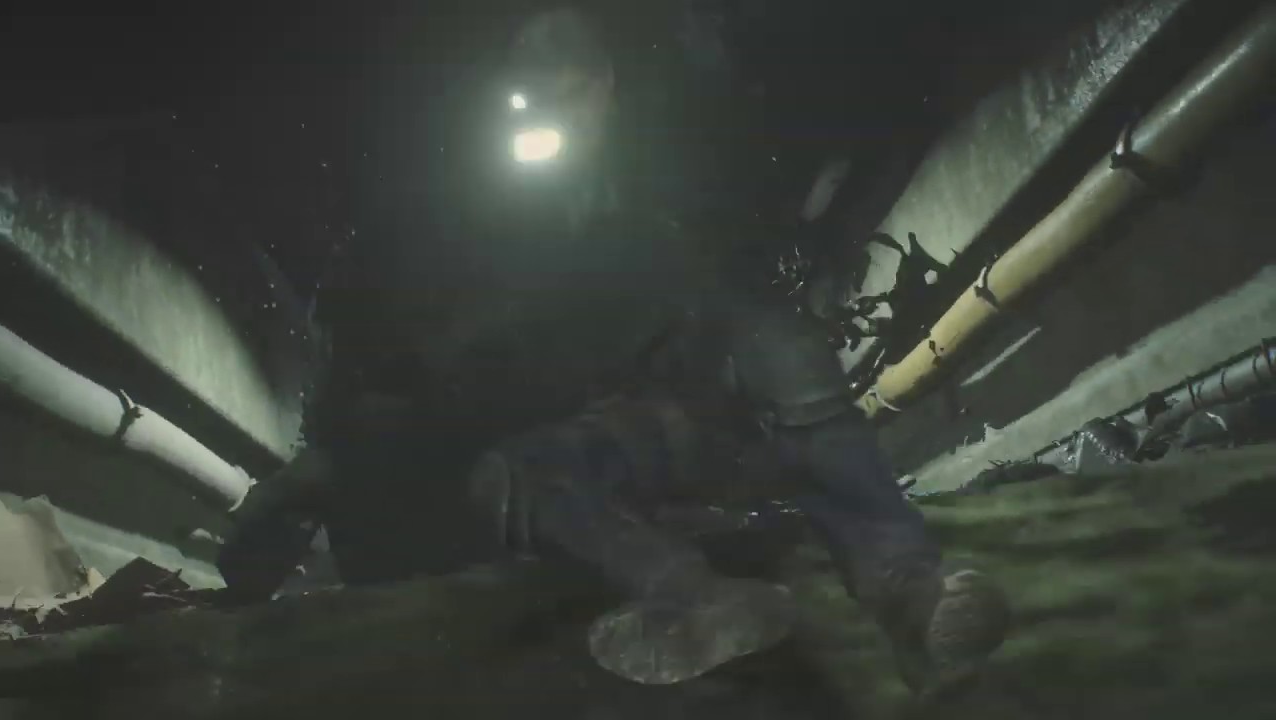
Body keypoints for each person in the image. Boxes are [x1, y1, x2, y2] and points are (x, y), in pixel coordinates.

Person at [218, 4, 1010, 699]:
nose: (552, 105)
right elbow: (430, 392)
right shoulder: (461, 229)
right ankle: (689, 597)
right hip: (549, 458)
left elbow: (734, 314)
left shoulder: (660, 194)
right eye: (530, 89)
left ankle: (907, 589)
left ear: (607, 88)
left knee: (778, 345)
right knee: (516, 471)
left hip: (678, 425)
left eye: (574, 84)